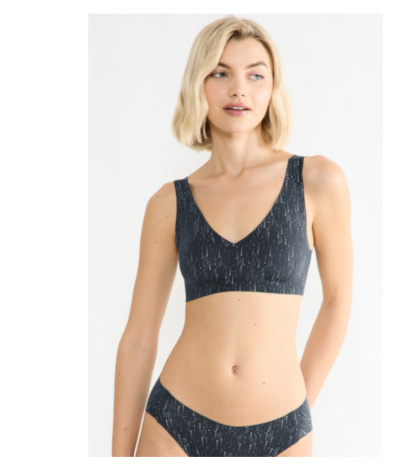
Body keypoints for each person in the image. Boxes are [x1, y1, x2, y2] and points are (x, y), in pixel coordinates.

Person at [112, 15, 353, 457]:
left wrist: (298, 409)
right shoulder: (168, 203)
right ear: (198, 85)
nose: (239, 89)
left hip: (283, 430)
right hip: (174, 426)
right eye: (220, 73)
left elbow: (337, 303)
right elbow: (139, 338)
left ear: (272, 88)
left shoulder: (317, 180)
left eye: (255, 75)